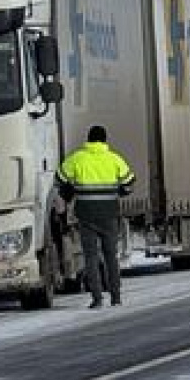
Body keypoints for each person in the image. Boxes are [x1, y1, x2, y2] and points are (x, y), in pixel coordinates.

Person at [56, 124, 135, 308]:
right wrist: (119, 192)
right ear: (104, 140)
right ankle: (116, 297)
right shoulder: (114, 159)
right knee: (111, 256)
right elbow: (129, 183)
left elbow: (59, 179)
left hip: (86, 215)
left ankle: (97, 298)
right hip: (109, 214)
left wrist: (70, 190)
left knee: (90, 257)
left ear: (88, 139)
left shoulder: (77, 159)